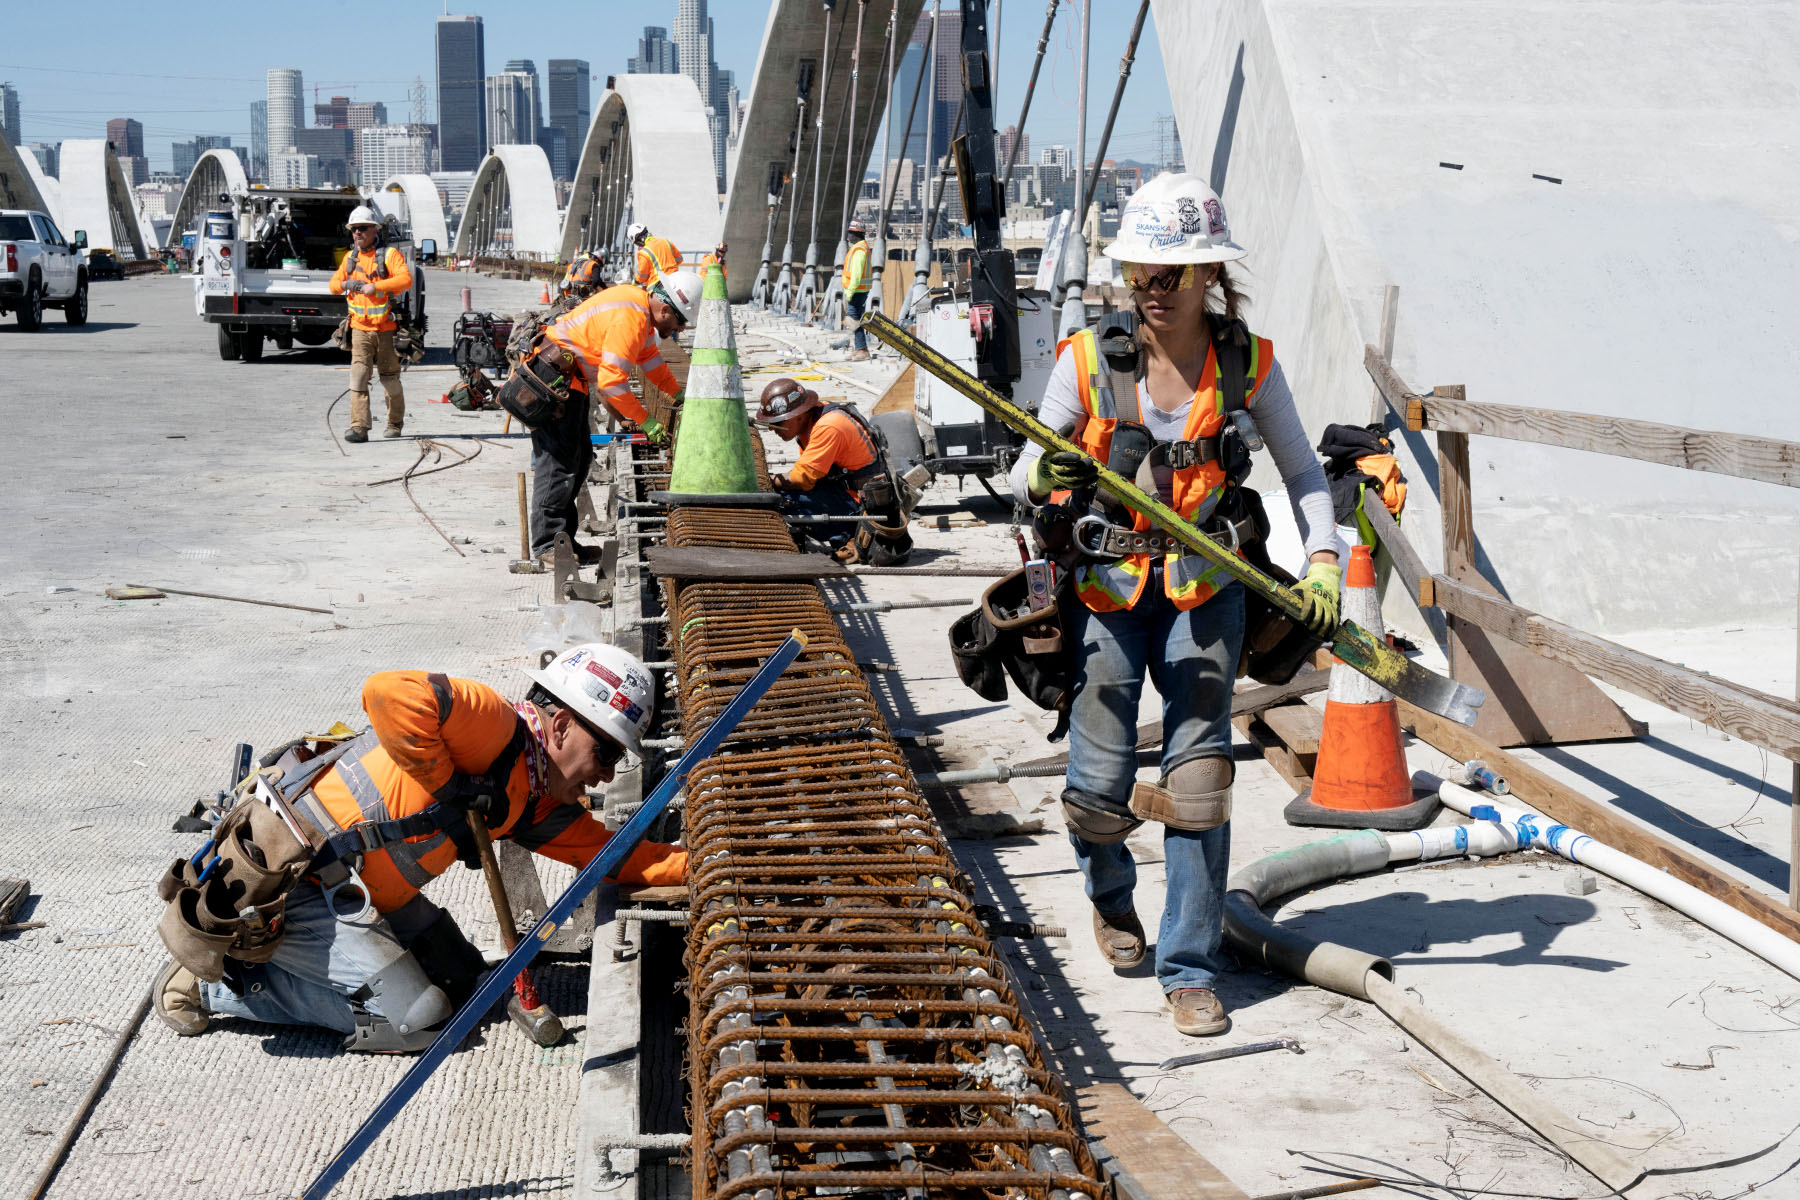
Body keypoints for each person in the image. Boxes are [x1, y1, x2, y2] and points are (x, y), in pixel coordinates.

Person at [1008, 173, 1345, 1037]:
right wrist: (1043, 474)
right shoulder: (1089, 358)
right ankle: (1110, 899)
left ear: (1208, 275)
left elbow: (1304, 471)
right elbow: (1024, 468)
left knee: (1198, 780)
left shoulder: (1249, 364)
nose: (1153, 293)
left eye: (1171, 277)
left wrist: (1321, 561)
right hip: (1108, 593)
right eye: (1139, 276)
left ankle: (1188, 964)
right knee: (1097, 785)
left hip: (1208, 590)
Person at [154, 644, 682, 1050]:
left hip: (369, 894)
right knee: (417, 1018)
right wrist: (451, 785)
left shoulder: (535, 799)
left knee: (467, 981)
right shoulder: (492, 725)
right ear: (563, 725)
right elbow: (386, 692)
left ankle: (336, 959)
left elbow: (619, 859)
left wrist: (708, 866)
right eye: (605, 752)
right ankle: (218, 984)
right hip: (301, 881)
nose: (607, 775)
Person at [525, 272, 699, 562]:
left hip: (569, 377)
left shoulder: (640, 314)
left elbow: (652, 364)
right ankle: (547, 545)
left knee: (578, 461)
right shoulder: (632, 318)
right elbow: (611, 384)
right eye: (680, 322)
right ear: (665, 310)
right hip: (552, 377)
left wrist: (678, 393)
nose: (680, 328)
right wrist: (646, 420)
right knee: (558, 464)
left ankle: (563, 541)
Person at [753, 377, 911, 565]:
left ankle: (849, 538)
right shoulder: (816, 417)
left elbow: (801, 479)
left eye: (777, 423)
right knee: (781, 491)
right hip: (850, 497)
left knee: (781, 499)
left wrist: (763, 480)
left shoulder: (828, 426)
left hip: (861, 510)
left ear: (799, 416)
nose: (773, 429)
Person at [329, 207, 412, 443]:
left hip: (386, 330)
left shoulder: (389, 255)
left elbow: (405, 279)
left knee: (389, 379)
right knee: (358, 376)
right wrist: (348, 283)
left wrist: (377, 287)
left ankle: (395, 423)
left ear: (374, 229)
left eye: (362, 228)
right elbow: (333, 286)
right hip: (360, 330)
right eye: (354, 229)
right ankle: (359, 427)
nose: (357, 233)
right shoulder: (350, 258)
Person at [841, 220, 872, 361]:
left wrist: (850, 292)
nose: (849, 236)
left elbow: (856, 274)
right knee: (855, 319)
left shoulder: (859, 250)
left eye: (851, 233)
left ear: (858, 234)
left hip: (857, 291)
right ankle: (861, 348)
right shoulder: (859, 247)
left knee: (852, 320)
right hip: (859, 290)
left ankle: (862, 350)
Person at [628, 222, 682, 288]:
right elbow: (679, 259)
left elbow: (642, 276)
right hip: (675, 282)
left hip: (657, 288)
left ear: (639, 239)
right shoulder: (666, 242)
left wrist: (635, 281)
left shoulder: (644, 252)